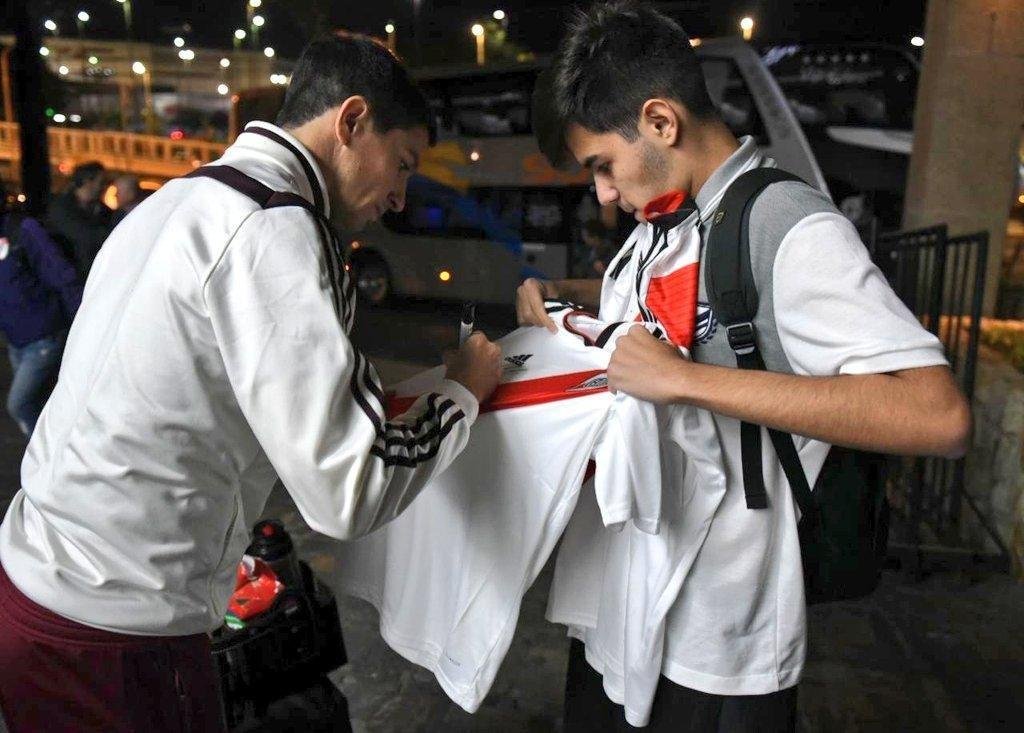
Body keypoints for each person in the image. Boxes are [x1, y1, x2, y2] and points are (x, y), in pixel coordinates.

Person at [0, 33, 501, 733]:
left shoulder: (182, 200)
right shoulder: (273, 229)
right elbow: (349, 487)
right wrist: (463, 391)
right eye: (403, 164)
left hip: (40, 592)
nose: (398, 196)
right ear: (351, 122)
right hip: (117, 629)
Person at [518, 3, 971, 731]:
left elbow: (937, 414)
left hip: (718, 640)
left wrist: (686, 379)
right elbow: (675, 328)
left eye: (603, 166)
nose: (601, 193)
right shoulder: (664, 224)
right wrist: (564, 301)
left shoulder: (788, 227)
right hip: (621, 613)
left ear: (661, 122)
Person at [0, 184, 83, 437]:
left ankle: (46, 463)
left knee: (20, 404)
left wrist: (83, 324)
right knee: (44, 403)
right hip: (18, 340)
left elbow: (62, 275)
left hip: (45, 336)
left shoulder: (23, 230)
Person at [45, 160, 112, 278]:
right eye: (101, 182)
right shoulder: (62, 208)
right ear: (87, 181)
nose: (104, 186)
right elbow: (84, 236)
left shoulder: (103, 211)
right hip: (71, 276)